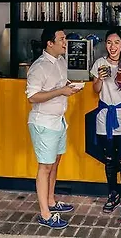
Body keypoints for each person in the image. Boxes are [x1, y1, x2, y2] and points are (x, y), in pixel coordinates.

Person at [25, 26, 83, 230]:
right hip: (43, 122)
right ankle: (45, 214)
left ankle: (51, 200)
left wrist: (69, 87)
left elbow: (59, 83)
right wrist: (61, 91)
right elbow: (32, 97)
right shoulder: (39, 67)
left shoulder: (61, 61)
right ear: (50, 43)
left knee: (55, 163)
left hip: (59, 121)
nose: (65, 42)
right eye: (61, 39)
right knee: (45, 167)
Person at [90, 29, 121, 223]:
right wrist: (99, 79)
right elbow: (96, 90)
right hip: (104, 119)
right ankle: (113, 194)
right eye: (109, 42)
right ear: (106, 44)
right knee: (110, 161)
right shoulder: (99, 64)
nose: (113, 47)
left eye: (116, 42)